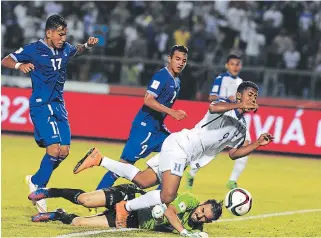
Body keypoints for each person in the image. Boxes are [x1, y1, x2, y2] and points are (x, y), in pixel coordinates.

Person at [73, 81, 274, 229]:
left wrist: (257, 143)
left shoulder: (241, 128)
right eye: (249, 95)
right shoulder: (225, 107)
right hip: (181, 146)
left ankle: (99, 159)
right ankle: (126, 208)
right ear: (239, 96)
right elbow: (212, 107)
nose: (252, 99)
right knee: (167, 195)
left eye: (255, 97)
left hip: (183, 153)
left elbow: (234, 153)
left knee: (143, 181)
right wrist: (239, 106)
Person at [1, 14, 99, 212]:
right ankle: (39, 189)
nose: (63, 38)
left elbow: (76, 50)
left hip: (59, 105)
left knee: (64, 152)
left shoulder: (65, 48)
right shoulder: (33, 49)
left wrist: (87, 46)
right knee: (53, 150)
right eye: (60, 35)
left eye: (65, 35)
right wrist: (20, 65)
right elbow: (6, 60)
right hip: (41, 104)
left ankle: (36, 179)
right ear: (49, 33)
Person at [95, 45, 188, 191]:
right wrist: (172, 112)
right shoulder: (161, 76)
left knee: (179, 150)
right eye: (177, 59)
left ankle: (160, 198)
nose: (181, 63)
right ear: (169, 59)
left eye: (184, 60)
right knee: (123, 165)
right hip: (145, 127)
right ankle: (96, 195)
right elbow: (148, 100)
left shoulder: (177, 82)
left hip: (157, 128)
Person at [28, 184, 222, 237]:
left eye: (205, 217)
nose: (200, 215)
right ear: (202, 203)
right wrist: (183, 232)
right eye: (203, 210)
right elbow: (170, 211)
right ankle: (50, 192)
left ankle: (58, 214)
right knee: (85, 200)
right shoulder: (190, 200)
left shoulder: (196, 230)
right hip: (131, 198)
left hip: (132, 221)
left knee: (79, 222)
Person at [186, 54, 250, 191]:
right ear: (227, 65)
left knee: (245, 145)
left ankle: (232, 180)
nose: (235, 66)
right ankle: (192, 173)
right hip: (221, 116)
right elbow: (212, 97)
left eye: (238, 64)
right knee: (209, 148)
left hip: (236, 118)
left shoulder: (241, 82)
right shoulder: (221, 79)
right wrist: (228, 98)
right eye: (232, 64)